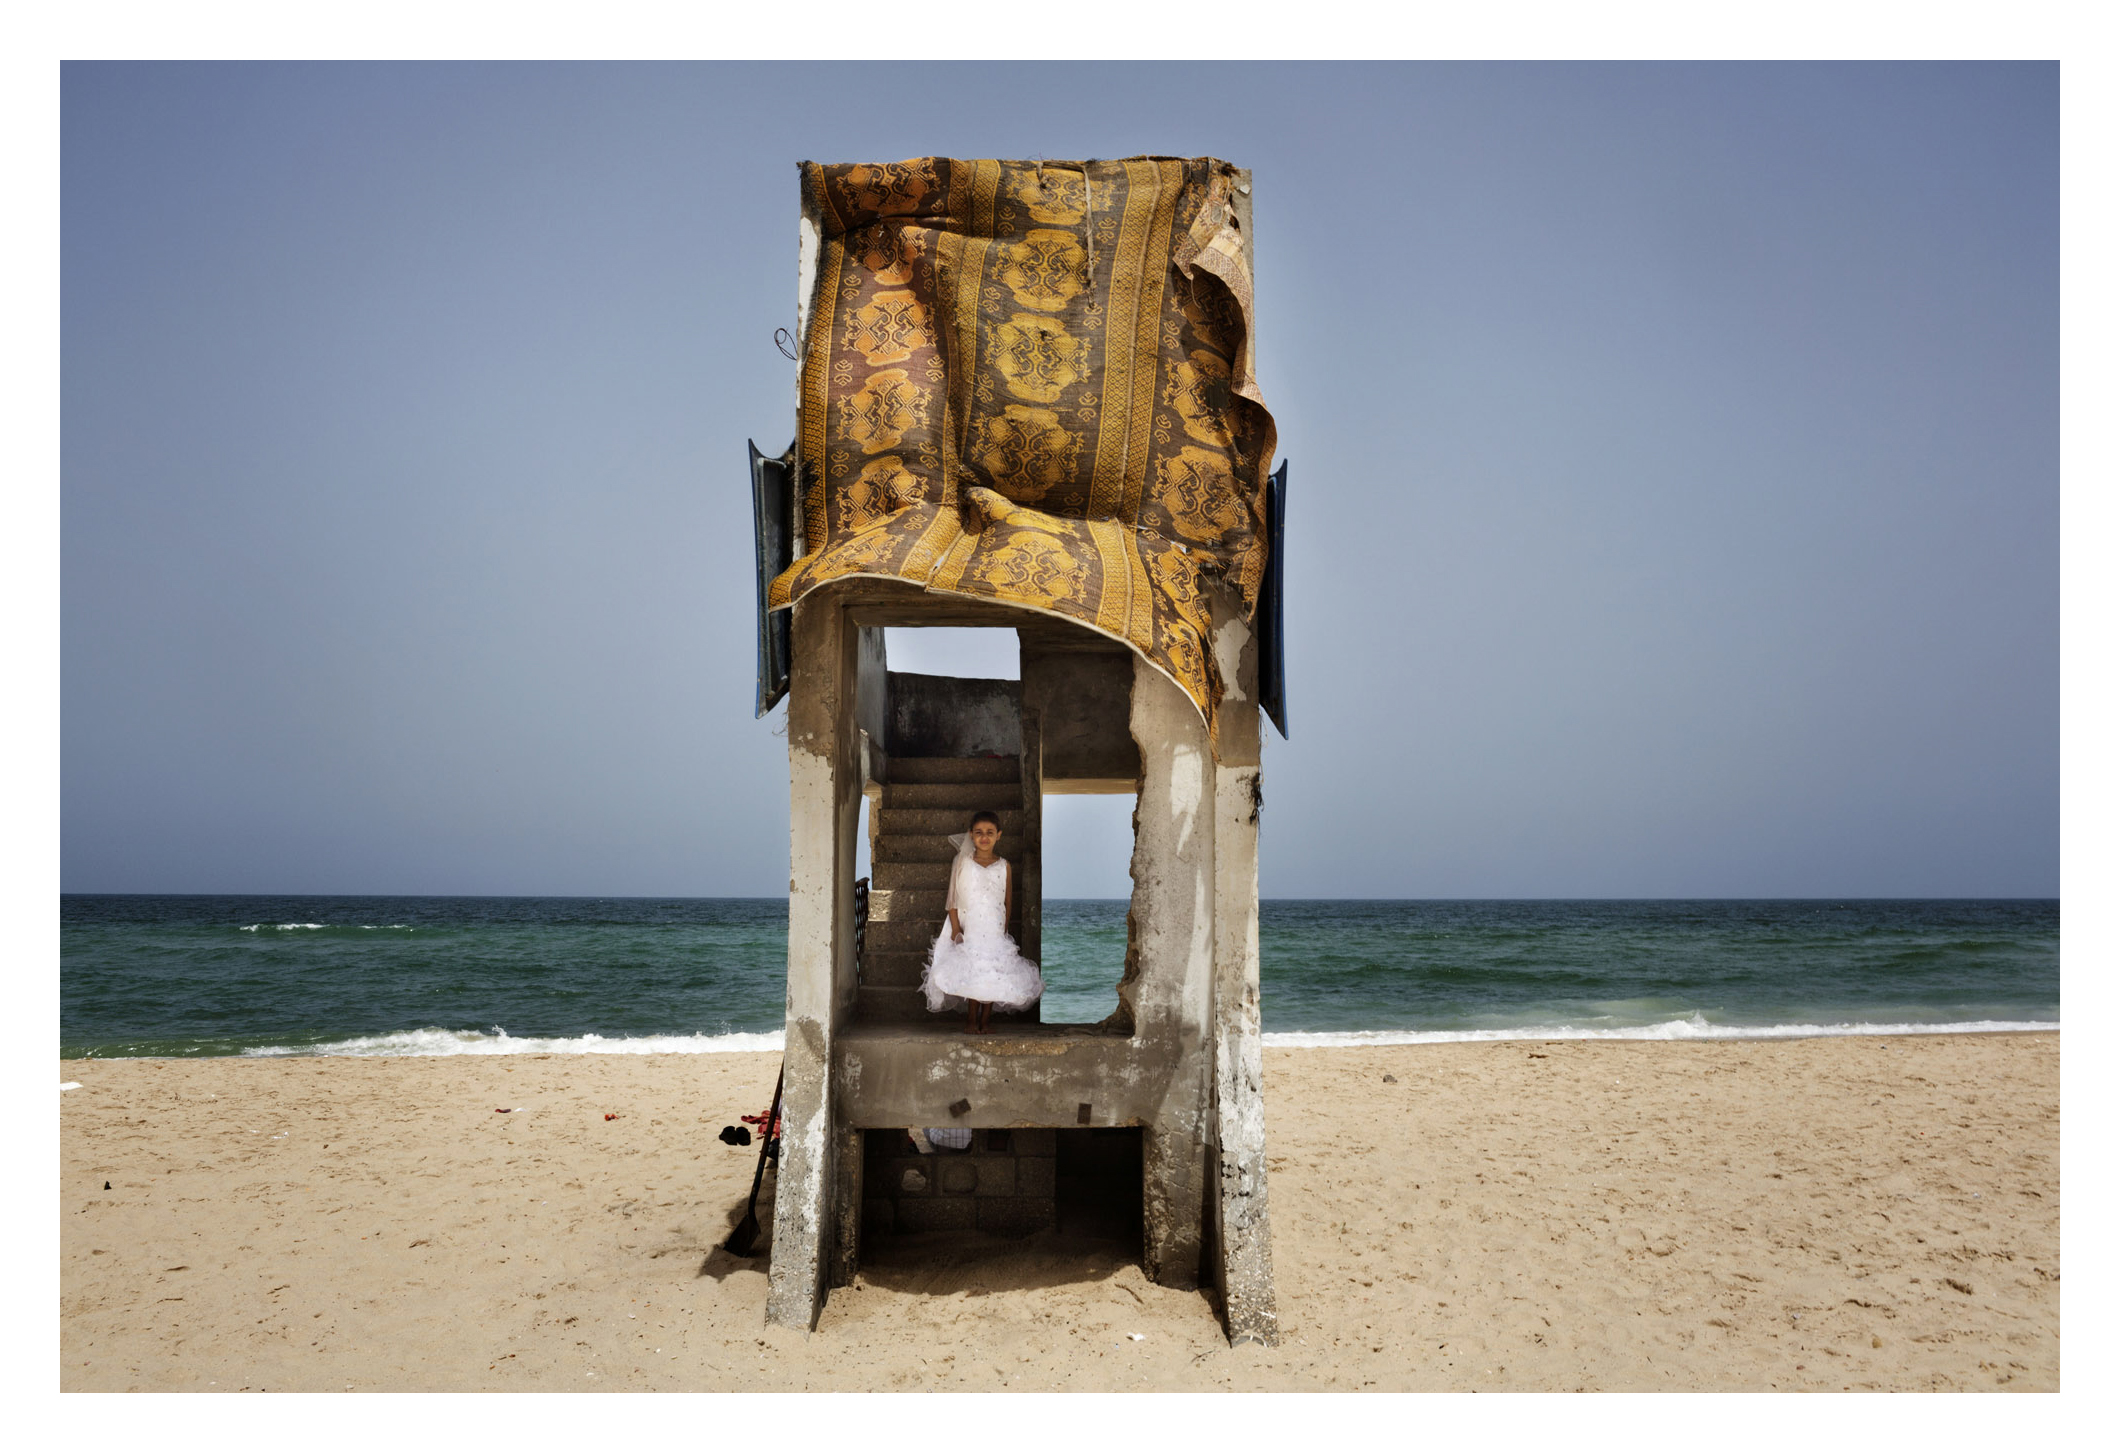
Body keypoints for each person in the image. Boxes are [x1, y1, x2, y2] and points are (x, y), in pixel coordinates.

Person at [921, 809, 1044, 1033]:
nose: (984, 837)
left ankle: (985, 1021)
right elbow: (953, 898)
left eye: (989, 832)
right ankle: (970, 1020)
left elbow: (1007, 901)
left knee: (992, 975)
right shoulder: (962, 862)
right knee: (974, 973)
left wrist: (1004, 929)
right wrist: (956, 927)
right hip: (972, 927)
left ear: (999, 835)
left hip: (994, 928)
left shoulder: (1004, 865)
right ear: (971, 835)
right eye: (979, 832)